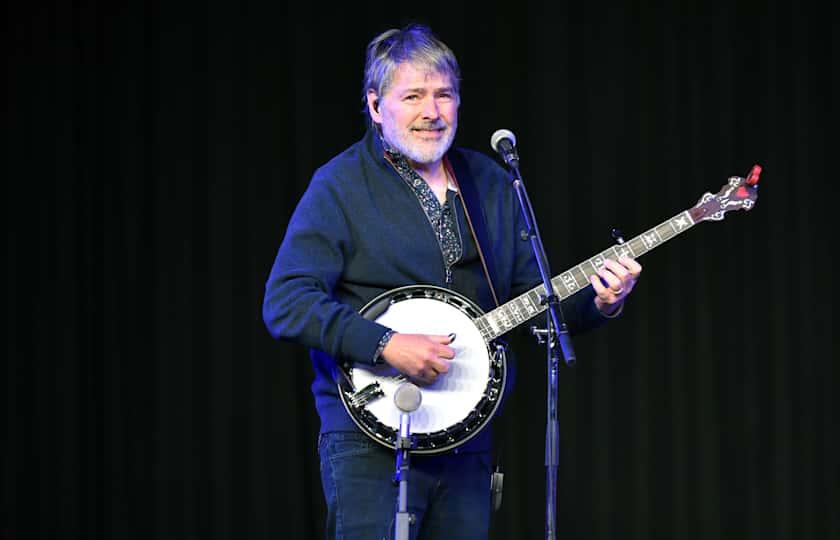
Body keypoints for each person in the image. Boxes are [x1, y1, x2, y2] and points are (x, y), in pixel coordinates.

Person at [263, 23, 642, 540]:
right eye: (413, 96)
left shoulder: (489, 179)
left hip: (467, 440)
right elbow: (286, 302)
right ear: (376, 107)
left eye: (444, 95)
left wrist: (603, 300)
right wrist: (385, 344)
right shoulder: (340, 184)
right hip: (370, 441)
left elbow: (537, 302)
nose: (432, 112)